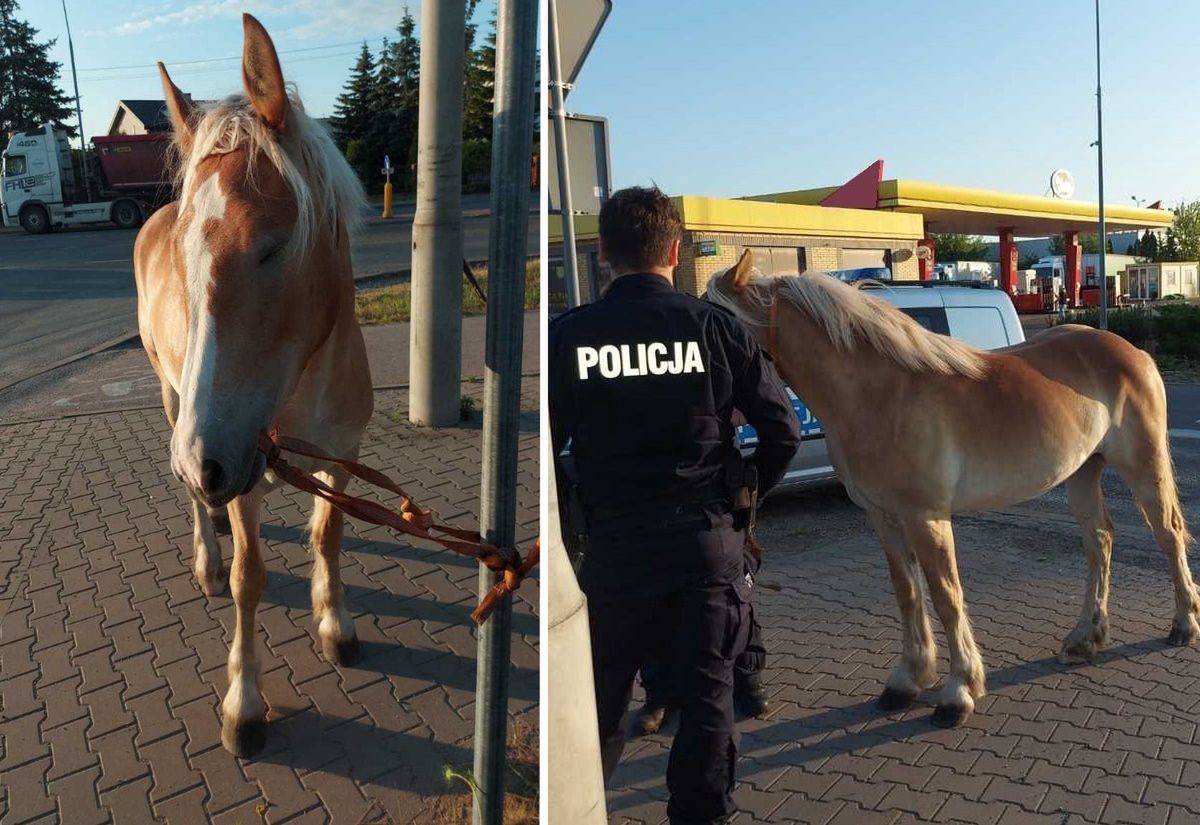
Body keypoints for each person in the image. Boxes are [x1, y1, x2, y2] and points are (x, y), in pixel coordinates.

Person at [549, 186, 800, 825]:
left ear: (603, 251)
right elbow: (784, 431)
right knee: (709, 701)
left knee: (600, 706)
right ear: (675, 248)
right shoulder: (717, 330)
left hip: (613, 556)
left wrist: (569, 520)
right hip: (705, 549)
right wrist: (743, 504)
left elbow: (546, 452)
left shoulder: (569, 337)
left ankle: (583, 810)